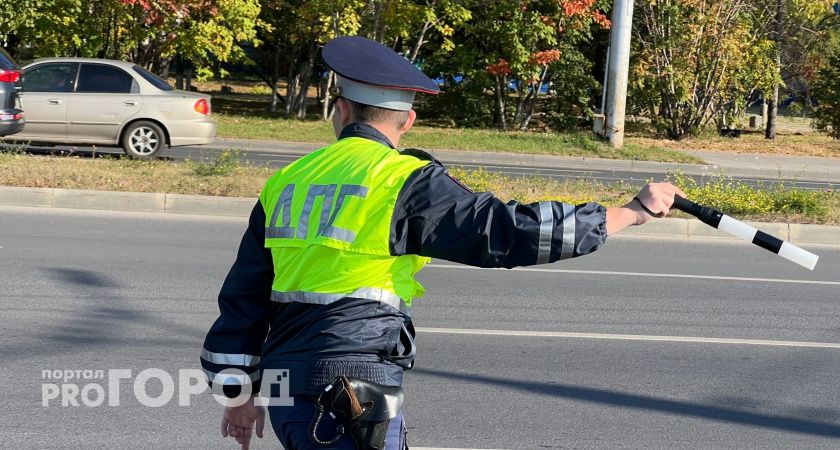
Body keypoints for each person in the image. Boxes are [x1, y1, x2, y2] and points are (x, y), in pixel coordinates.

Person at [200, 35, 686, 450]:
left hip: (290, 391)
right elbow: (508, 231)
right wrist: (629, 213)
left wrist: (237, 394)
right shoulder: (402, 180)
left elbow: (243, 296)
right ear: (406, 122)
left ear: (341, 109)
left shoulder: (287, 180)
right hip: (354, 384)